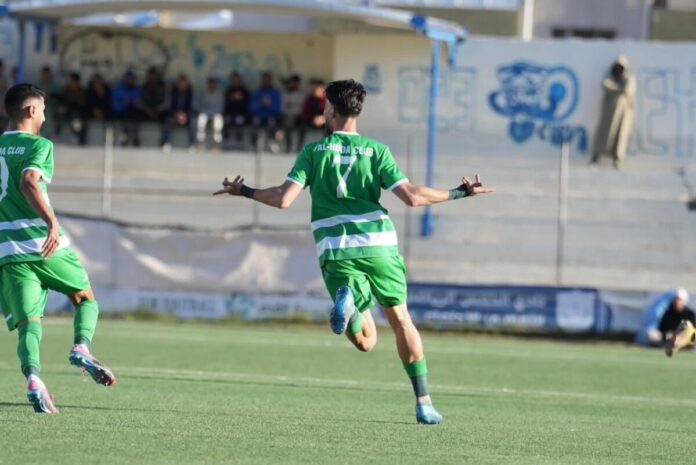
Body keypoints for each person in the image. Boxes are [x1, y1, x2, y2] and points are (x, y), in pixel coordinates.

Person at [213, 79, 494, 424]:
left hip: (337, 248)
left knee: (365, 341)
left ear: (331, 109)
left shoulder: (314, 152)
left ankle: (352, 305)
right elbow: (412, 196)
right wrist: (459, 193)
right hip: (379, 245)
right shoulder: (377, 151)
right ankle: (423, 403)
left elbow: (284, 199)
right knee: (401, 320)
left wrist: (245, 191)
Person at [0, 84, 117, 414]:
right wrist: (51, 221)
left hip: (8, 250)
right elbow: (28, 181)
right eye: (43, 110)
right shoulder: (39, 145)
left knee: (29, 323)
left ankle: (34, 379)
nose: (45, 116)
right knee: (85, 298)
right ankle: (81, 347)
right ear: (31, 111)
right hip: (44, 242)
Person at [591, 56, 636, 169]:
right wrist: (618, 89)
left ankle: (617, 158)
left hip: (623, 113)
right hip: (608, 112)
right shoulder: (609, 77)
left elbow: (627, 90)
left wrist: (616, 89)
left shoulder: (628, 78)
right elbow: (605, 85)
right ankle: (596, 157)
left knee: (620, 136)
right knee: (603, 134)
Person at [161, 74, 195, 152]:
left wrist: (185, 115)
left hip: (187, 115)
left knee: (193, 122)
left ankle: (192, 144)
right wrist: (177, 114)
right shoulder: (172, 92)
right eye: (180, 84)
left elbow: (193, 107)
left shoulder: (191, 93)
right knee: (167, 121)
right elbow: (169, 106)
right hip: (174, 114)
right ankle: (166, 143)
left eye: (184, 84)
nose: (182, 85)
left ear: (187, 84)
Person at [249, 71, 282, 152]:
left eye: (268, 79)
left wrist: (268, 105)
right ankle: (254, 145)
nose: (266, 81)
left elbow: (277, 109)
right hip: (259, 116)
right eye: (264, 79)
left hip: (271, 117)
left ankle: (272, 144)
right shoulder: (257, 93)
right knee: (255, 122)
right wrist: (261, 104)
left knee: (273, 123)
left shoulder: (275, 93)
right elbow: (252, 108)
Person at [661, 288, 696, 357]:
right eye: (676, 299)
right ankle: (674, 344)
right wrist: (668, 333)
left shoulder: (690, 314)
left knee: (686, 324)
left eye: (679, 300)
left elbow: (692, 330)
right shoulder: (669, 313)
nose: (677, 302)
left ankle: (675, 344)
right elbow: (662, 328)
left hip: (690, 338)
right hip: (671, 337)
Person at [112, 70, 143, 146]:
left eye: (131, 79)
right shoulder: (119, 88)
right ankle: (123, 139)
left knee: (135, 116)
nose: (130, 81)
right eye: (128, 79)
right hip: (121, 112)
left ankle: (135, 139)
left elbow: (139, 103)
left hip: (133, 112)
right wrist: (123, 104)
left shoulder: (137, 89)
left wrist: (135, 103)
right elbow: (115, 104)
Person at [55, 73, 88, 146]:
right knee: (59, 114)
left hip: (78, 113)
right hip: (67, 112)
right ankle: (57, 135)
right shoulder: (66, 90)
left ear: (77, 82)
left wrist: (68, 108)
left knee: (76, 118)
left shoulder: (81, 91)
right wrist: (61, 107)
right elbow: (62, 100)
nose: (70, 83)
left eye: (72, 81)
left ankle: (76, 136)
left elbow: (80, 105)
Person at [196, 77, 224, 151]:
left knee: (218, 123)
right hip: (205, 112)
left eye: (213, 84)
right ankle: (201, 142)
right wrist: (204, 112)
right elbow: (200, 105)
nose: (211, 85)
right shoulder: (203, 92)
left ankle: (216, 144)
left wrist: (213, 114)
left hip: (216, 112)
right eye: (210, 84)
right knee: (201, 120)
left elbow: (220, 107)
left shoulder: (219, 93)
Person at [223, 72, 250, 148]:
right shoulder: (228, 91)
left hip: (241, 114)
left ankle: (239, 141)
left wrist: (240, 100)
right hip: (229, 114)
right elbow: (225, 105)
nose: (236, 82)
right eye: (234, 80)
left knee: (239, 120)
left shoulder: (244, 91)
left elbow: (247, 105)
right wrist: (232, 98)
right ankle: (226, 141)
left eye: (237, 80)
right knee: (226, 120)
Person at [299, 78, 326, 150]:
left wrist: (323, 119)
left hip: (324, 122)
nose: (314, 90)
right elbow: (305, 112)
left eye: (317, 88)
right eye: (314, 88)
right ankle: (299, 148)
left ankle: (327, 147)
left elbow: (331, 113)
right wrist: (313, 119)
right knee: (302, 127)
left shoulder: (327, 99)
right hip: (312, 121)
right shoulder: (310, 99)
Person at [280, 75, 304, 153]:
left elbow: (301, 109)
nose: (293, 85)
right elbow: (283, 108)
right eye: (292, 83)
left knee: (302, 127)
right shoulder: (285, 94)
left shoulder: (301, 95)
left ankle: (298, 147)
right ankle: (288, 147)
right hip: (287, 116)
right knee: (286, 124)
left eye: (296, 83)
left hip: (298, 117)